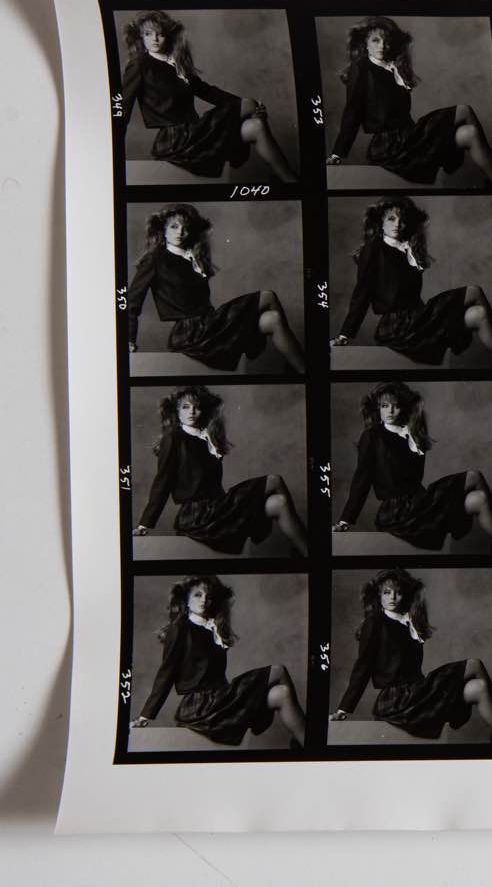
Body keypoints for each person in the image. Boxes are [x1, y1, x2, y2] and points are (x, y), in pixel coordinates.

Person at [117, 10, 298, 182]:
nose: (155, 39)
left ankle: (291, 182)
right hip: (174, 140)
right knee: (251, 104)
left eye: (160, 34)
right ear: (141, 37)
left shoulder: (176, 63)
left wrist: (247, 106)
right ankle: (240, 152)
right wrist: (114, 149)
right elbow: (122, 107)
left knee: (256, 126)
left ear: (168, 35)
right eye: (148, 34)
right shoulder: (140, 64)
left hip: (194, 134)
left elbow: (207, 91)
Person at [126, 203, 306, 372]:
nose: (180, 232)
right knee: (268, 295)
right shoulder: (154, 259)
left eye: (185, 227)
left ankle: (301, 371)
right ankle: (266, 351)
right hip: (190, 334)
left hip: (210, 326)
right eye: (174, 226)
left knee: (273, 319)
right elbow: (132, 303)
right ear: (163, 229)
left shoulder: (192, 257)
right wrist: (129, 340)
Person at [330, 567, 492, 743]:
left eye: (398, 593)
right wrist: (344, 709)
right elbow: (363, 667)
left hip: (418, 693)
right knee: (474, 664)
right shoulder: (374, 622)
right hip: (397, 700)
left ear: (405, 595)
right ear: (378, 595)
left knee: (479, 687)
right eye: (387, 592)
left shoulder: (409, 621)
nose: (392, 597)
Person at [134, 385, 309, 557]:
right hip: (197, 516)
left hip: (217, 509)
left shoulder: (206, 437)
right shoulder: (173, 437)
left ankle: (306, 553)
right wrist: (145, 524)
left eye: (197, 407)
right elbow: (162, 482)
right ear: (177, 411)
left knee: (280, 503)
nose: (192, 412)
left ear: (204, 411)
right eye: (185, 407)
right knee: (274, 480)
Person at [132, 575, 306, 748]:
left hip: (221, 701)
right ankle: (302, 739)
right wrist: (145, 716)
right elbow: (166, 674)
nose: (204, 600)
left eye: (208, 596)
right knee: (278, 670)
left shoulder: (212, 628)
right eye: (197, 595)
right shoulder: (180, 628)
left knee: (282, 693)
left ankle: (302, 743)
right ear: (186, 599)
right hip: (201, 707)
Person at [329, 195, 492, 366]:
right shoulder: (373, 249)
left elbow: (410, 295)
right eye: (391, 219)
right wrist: (345, 334)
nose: (397, 224)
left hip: (418, 321)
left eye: (402, 220)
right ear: (380, 222)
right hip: (398, 327)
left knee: (479, 314)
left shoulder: (407, 249)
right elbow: (362, 293)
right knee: (474, 290)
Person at [327, 16, 492, 186]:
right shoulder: (361, 69)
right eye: (375, 40)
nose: (382, 45)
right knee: (464, 110)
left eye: (386, 41)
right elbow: (352, 113)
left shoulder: (393, 68)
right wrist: (337, 154)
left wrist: (397, 75)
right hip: (390, 146)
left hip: (410, 138)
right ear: (365, 43)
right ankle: (456, 160)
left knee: (470, 133)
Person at [333, 381, 492, 552]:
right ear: (378, 408)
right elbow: (361, 481)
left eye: (396, 406)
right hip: (398, 513)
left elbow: (415, 479)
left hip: (420, 503)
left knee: (480, 495)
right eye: (385, 406)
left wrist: (413, 436)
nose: (390, 411)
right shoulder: (371, 436)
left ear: (404, 408)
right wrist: (346, 520)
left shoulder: (410, 434)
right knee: (475, 479)